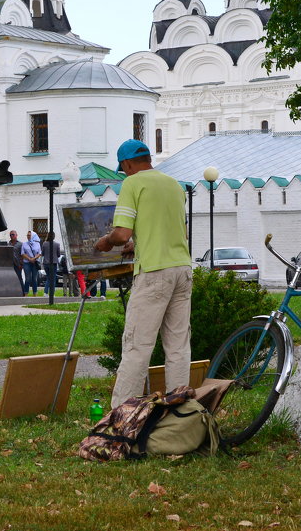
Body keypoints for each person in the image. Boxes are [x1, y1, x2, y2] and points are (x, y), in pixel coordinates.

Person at [95, 139, 192, 408]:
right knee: (178, 346)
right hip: (182, 269)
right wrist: (137, 244)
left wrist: (106, 241)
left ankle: (122, 416)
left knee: (137, 346)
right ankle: (180, 410)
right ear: (148, 158)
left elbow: (121, 232)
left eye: (123, 168)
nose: (124, 172)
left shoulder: (132, 183)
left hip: (154, 272)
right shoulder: (174, 185)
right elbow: (178, 233)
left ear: (127, 164)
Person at [20, 231, 42, 296]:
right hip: (26, 262)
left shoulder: (37, 244)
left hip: (35, 263)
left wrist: (34, 258)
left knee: (34, 278)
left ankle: (35, 293)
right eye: (27, 235)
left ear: (32, 236)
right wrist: (29, 259)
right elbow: (22, 253)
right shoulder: (24, 244)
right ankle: (26, 293)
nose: (28, 236)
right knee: (27, 278)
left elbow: (39, 253)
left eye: (29, 235)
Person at [42, 232, 63, 298]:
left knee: (48, 278)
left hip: (45, 263)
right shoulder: (57, 244)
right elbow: (59, 254)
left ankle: (45, 292)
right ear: (53, 237)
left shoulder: (44, 244)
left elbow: (42, 253)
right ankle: (52, 293)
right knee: (53, 279)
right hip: (53, 263)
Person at [8, 230, 25, 295]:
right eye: (10, 235)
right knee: (11, 278)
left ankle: (23, 292)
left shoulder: (20, 244)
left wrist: (21, 264)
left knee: (19, 278)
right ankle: (13, 292)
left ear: (16, 235)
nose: (12, 236)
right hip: (10, 264)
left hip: (17, 264)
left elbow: (22, 254)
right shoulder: (8, 244)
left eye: (13, 234)